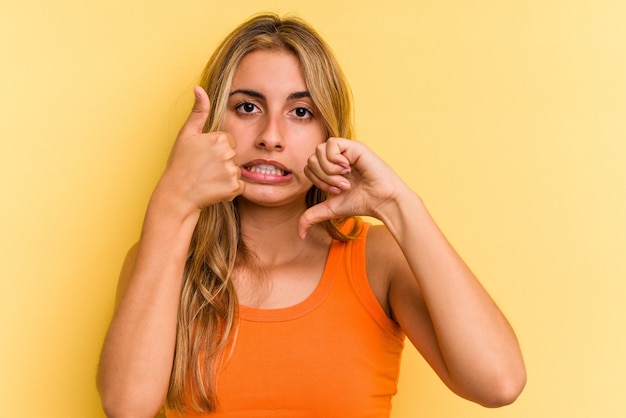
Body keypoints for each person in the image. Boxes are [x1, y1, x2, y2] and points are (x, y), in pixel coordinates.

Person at [96, 13, 526, 418]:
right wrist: (171, 202)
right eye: (247, 107)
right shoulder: (165, 258)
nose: (270, 137)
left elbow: (498, 383)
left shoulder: (377, 260)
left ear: (328, 133)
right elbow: (127, 407)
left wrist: (397, 203)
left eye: (300, 112)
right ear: (213, 123)